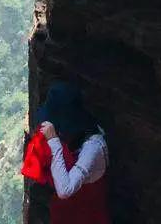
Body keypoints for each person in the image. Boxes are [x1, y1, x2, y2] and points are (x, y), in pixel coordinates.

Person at [21, 82, 110, 224]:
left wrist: (54, 141)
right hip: (69, 213)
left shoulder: (93, 148)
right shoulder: (76, 134)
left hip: (87, 216)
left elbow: (65, 189)